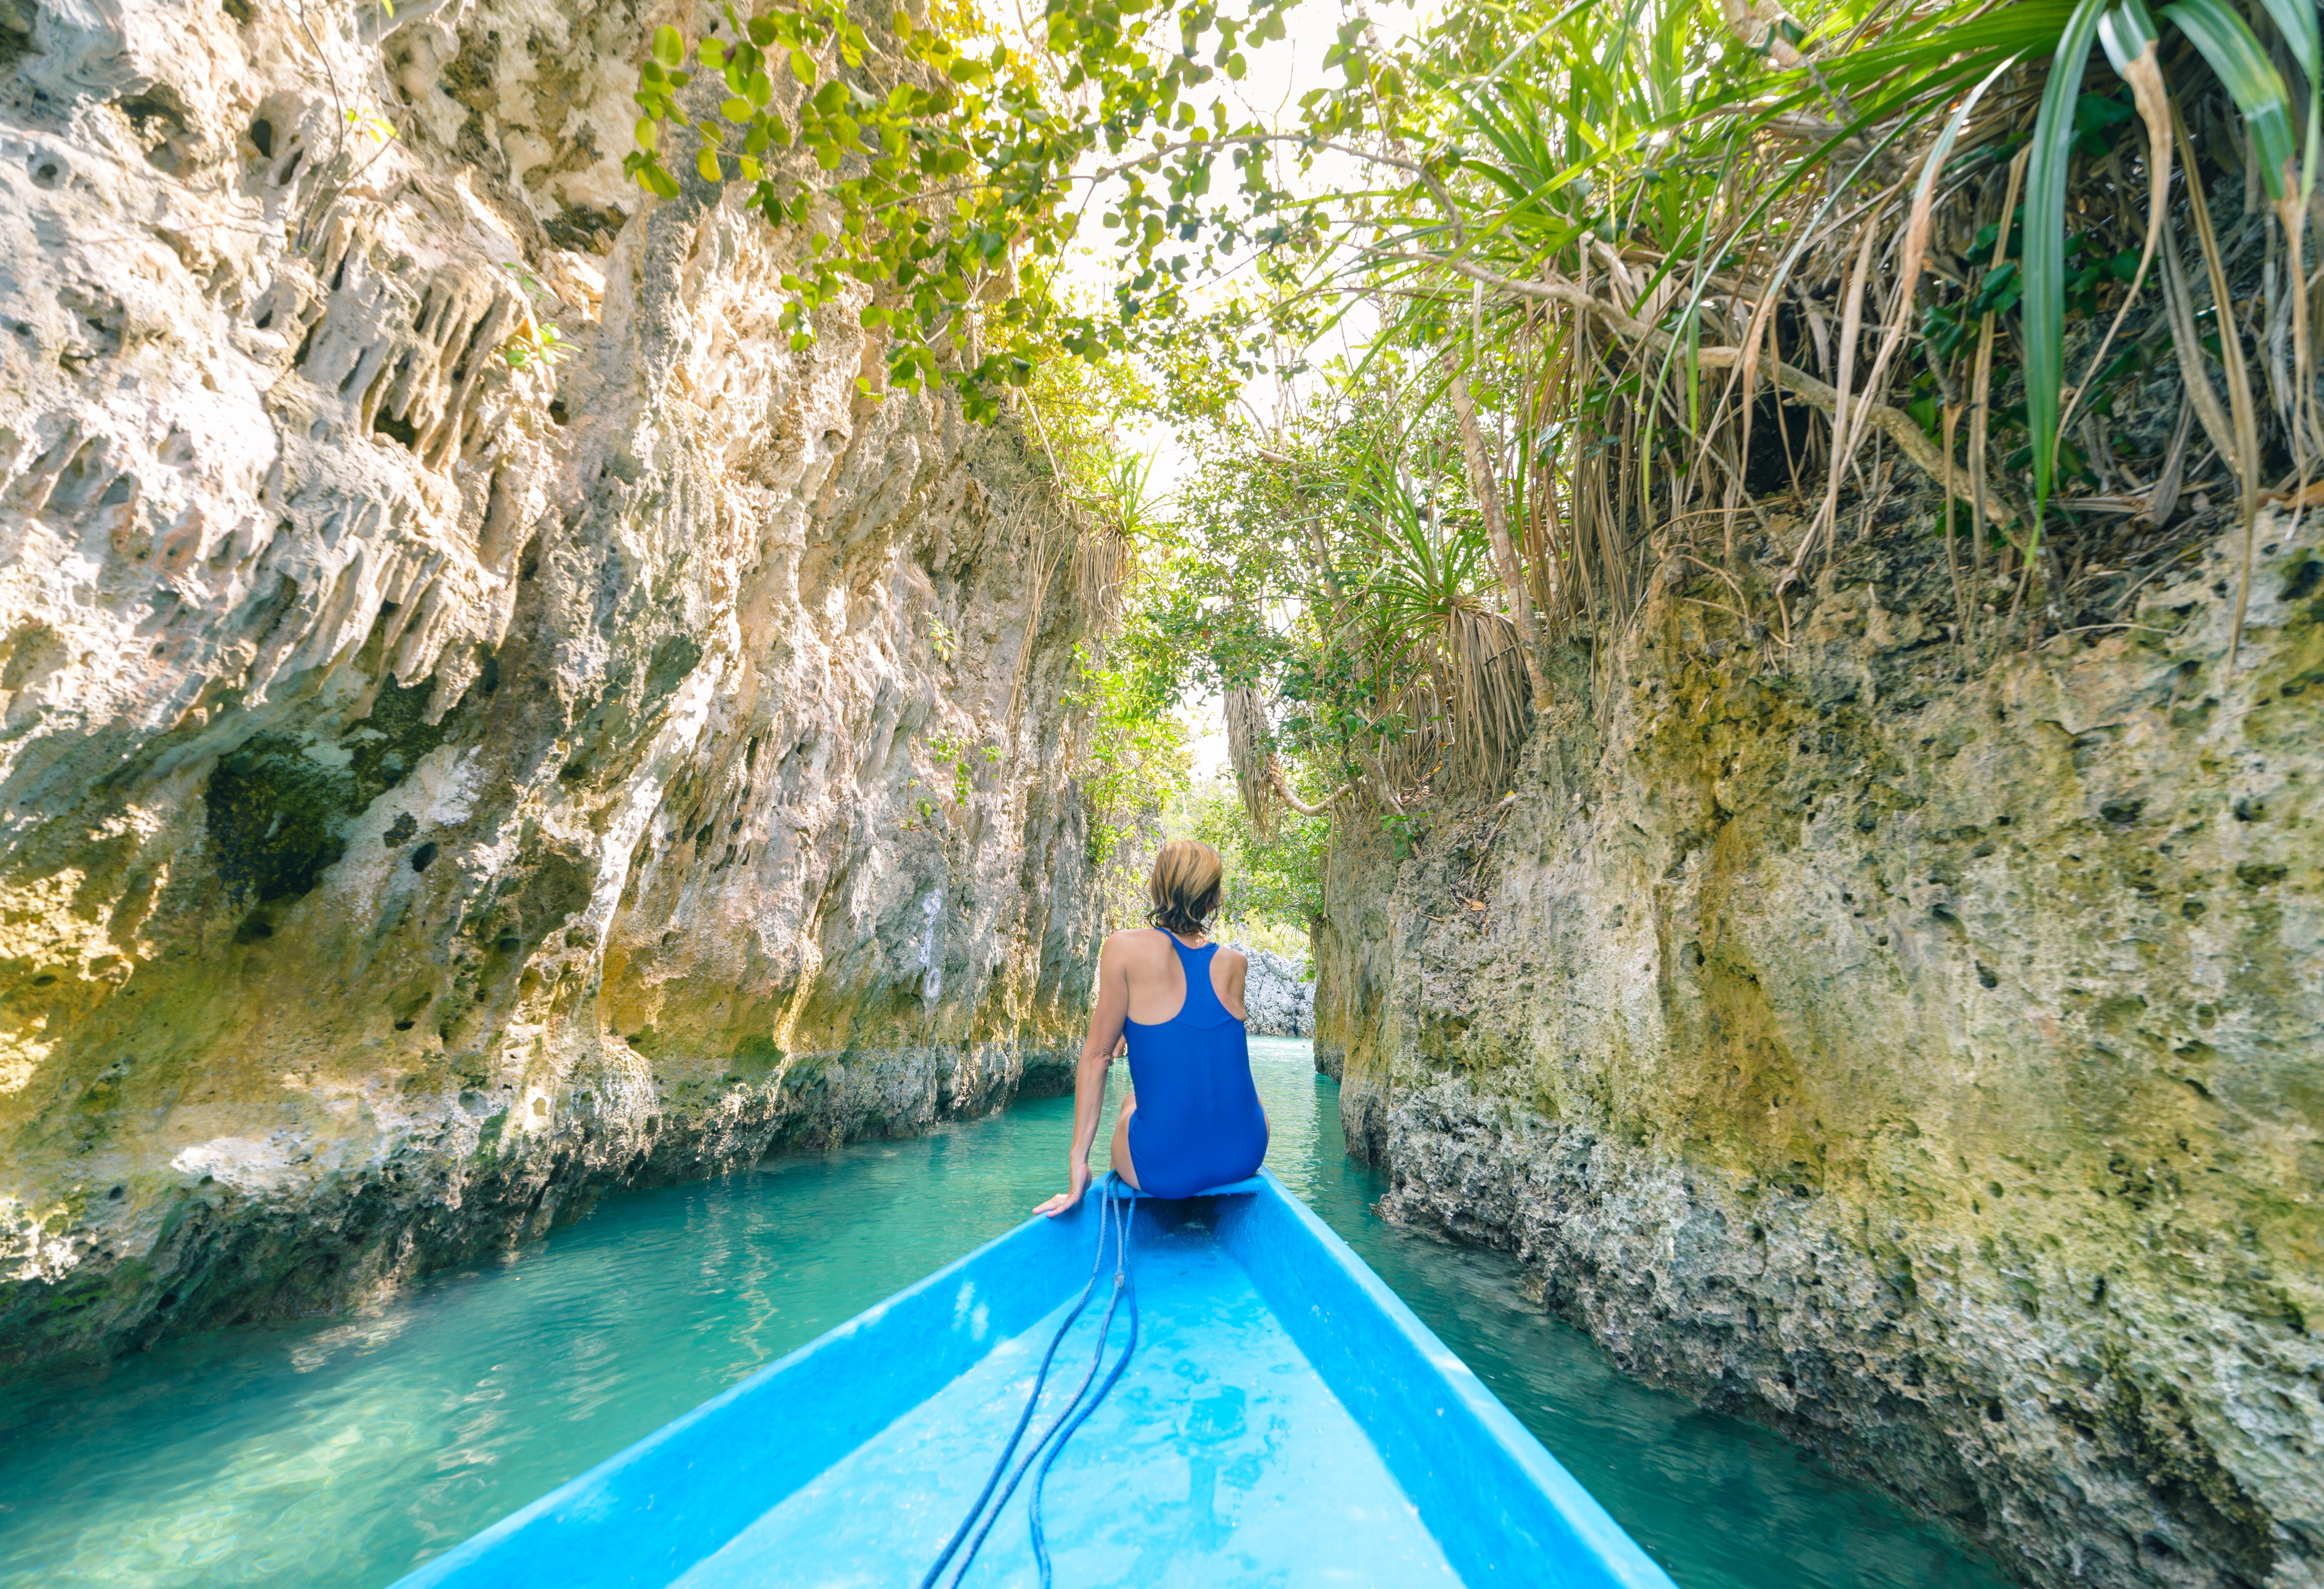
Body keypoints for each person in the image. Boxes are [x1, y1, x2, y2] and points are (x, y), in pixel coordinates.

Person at [1034, 840, 1268, 1212]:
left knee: (1130, 1104)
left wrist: (1078, 1161)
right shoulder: (1234, 963)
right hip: (1247, 1151)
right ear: (1213, 900)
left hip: (1163, 1170)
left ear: (1156, 888)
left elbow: (1097, 1057)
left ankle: (1134, 1221)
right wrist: (1134, 1028)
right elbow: (1200, 1032)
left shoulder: (1123, 948)